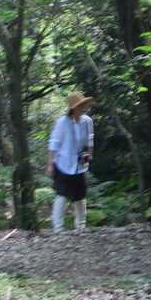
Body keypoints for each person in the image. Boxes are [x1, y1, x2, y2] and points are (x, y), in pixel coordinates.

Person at [46, 92, 94, 232]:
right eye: (80, 105)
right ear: (73, 108)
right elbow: (54, 143)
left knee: (80, 197)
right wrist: (50, 164)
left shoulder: (87, 121)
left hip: (79, 165)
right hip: (63, 164)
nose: (82, 108)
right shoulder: (62, 122)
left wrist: (89, 154)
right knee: (61, 196)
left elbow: (90, 140)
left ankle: (81, 226)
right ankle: (58, 228)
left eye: (83, 105)